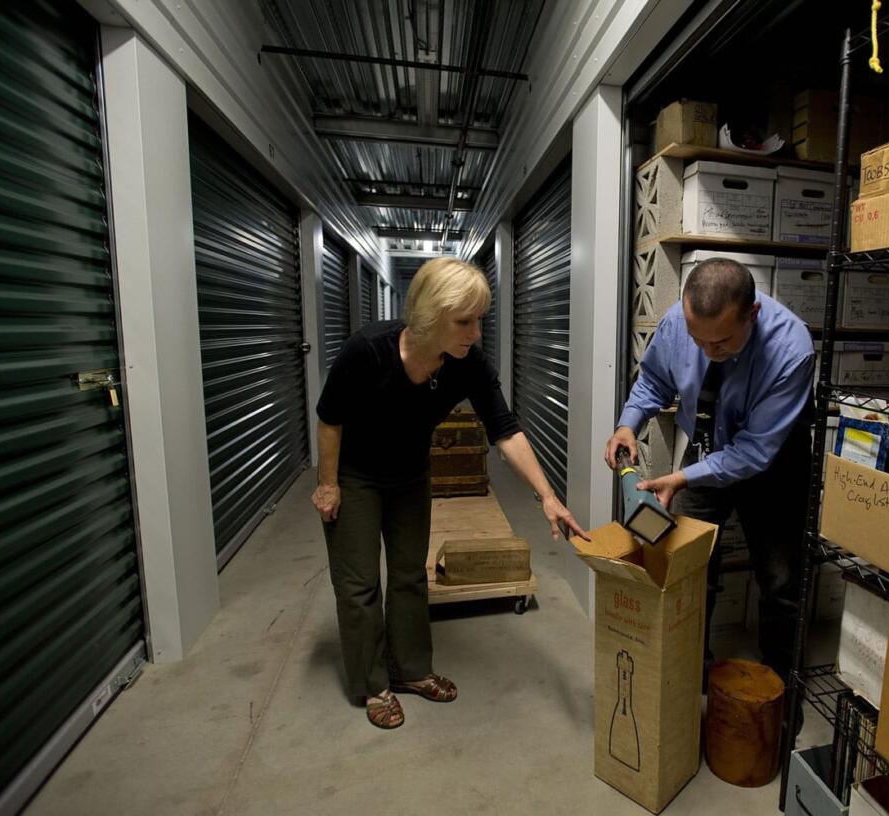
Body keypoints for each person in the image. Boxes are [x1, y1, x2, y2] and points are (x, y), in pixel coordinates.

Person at [313, 257, 587, 730]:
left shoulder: (466, 364)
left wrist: (547, 495)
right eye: (465, 321)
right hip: (356, 475)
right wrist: (328, 484)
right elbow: (330, 419)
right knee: (359, 585)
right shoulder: (367, 351)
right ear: (429, 316)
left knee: (408, 575)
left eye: (479, 319)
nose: (476, 332)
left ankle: (413, 671)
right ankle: (374, 683)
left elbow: (505, 429)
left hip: (410, 476)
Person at [604, 257, 815, 679]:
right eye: (697, 340)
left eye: (720, 343)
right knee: (690, 568)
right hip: (706, 451)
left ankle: (780, 693)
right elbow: (653, 381)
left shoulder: (792, 348)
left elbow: (754, 451)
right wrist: (629, 423)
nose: (707, 352)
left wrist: (682, 477)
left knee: (780, 583)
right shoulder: (676, 322)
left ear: (751, 314)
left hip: (772, 463)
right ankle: (687, 680)